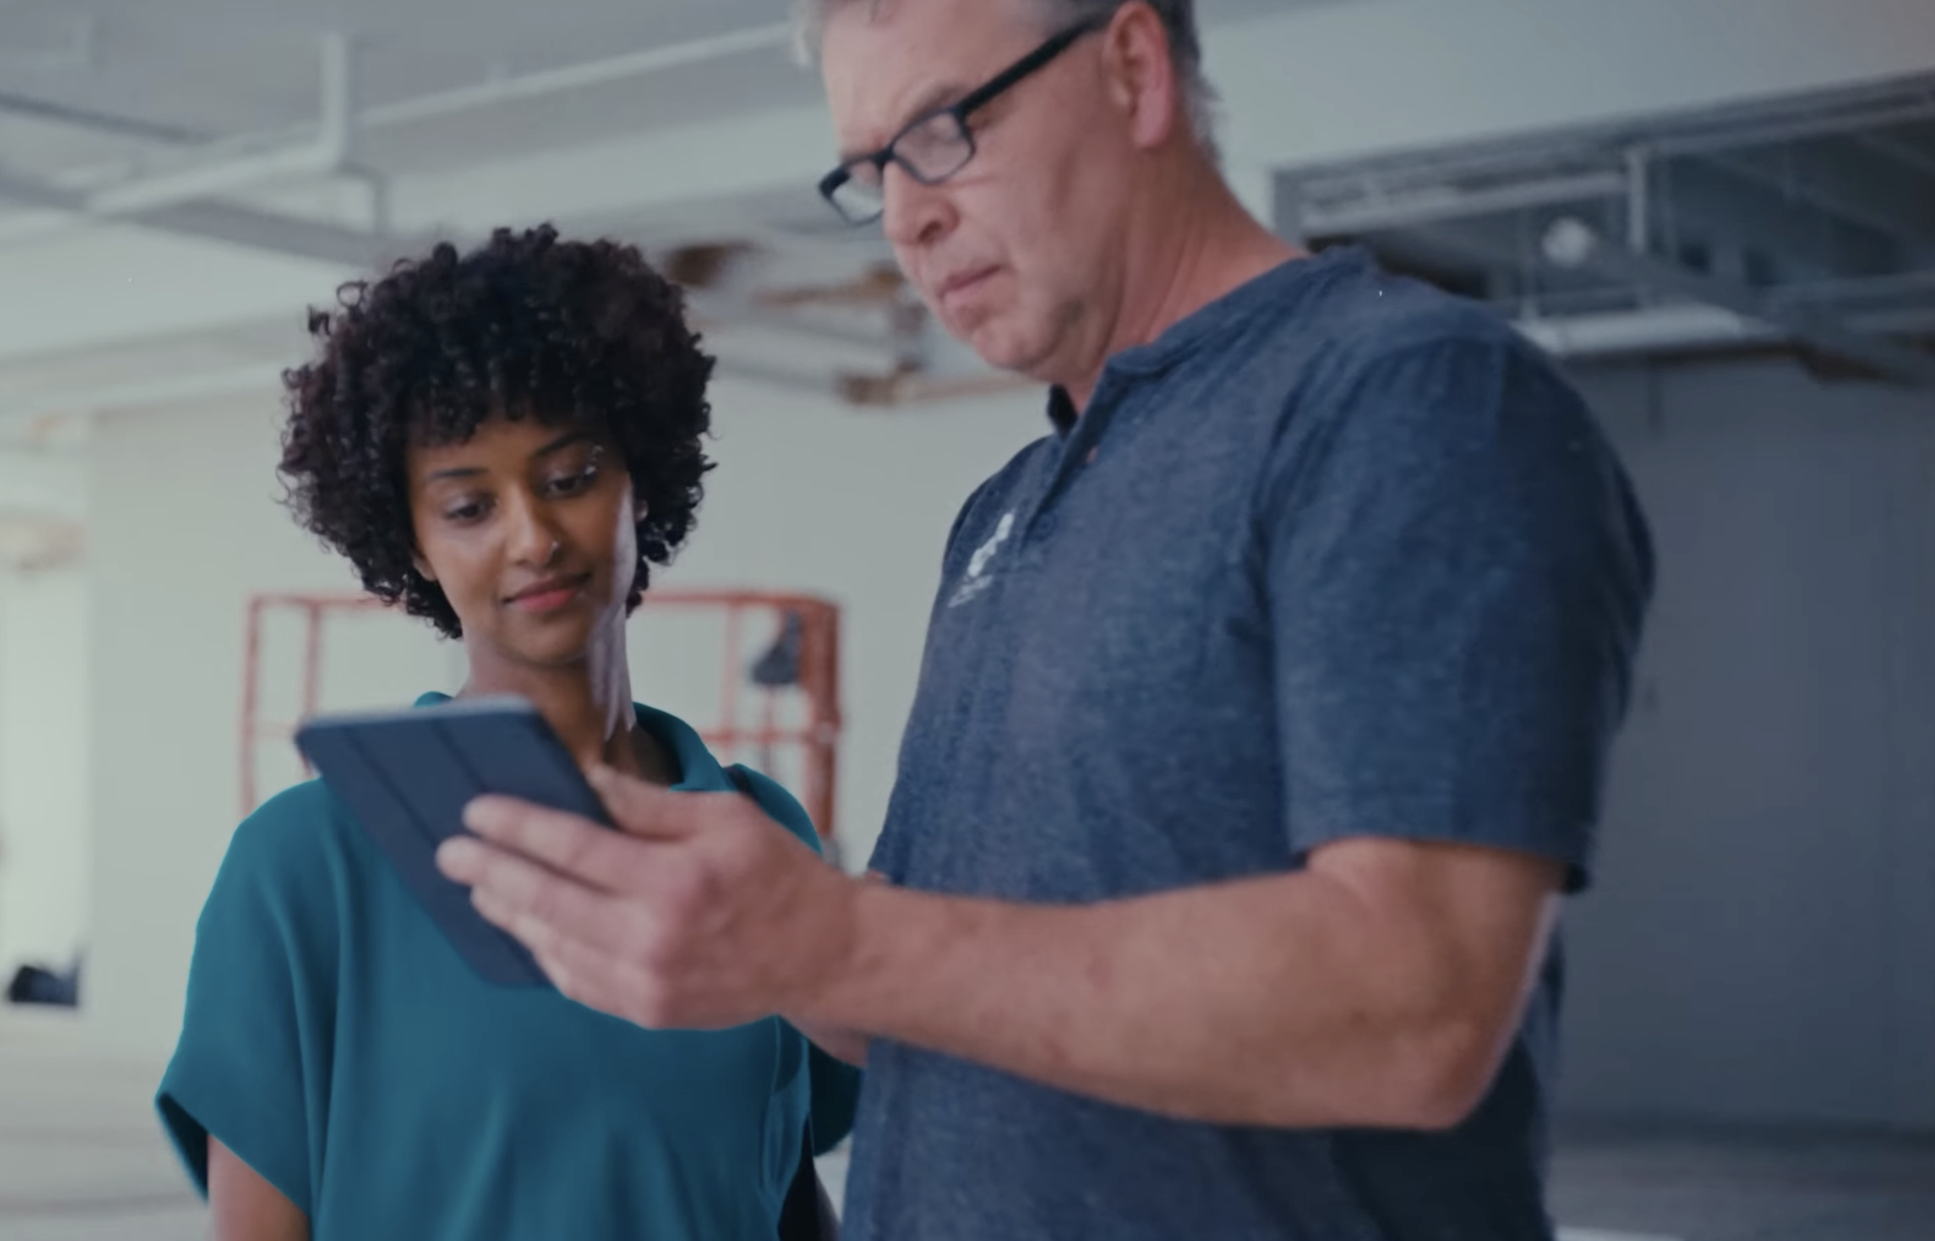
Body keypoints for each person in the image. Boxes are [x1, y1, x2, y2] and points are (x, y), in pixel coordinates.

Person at [435, 2, 1657, 1239]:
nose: (906, 215)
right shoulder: (1003, 514)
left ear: (1132, 69)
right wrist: (742, 933)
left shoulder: (1402, 399)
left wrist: (833, 934)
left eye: (941, 130)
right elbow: (927, 996)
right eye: (868, 172)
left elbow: (1418, 1006)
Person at [155, 224, 861, 1241]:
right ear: (413, 545)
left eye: (570, 477)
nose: (532, 537)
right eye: (470, 505)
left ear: (639, 480)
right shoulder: (306, 866)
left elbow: (783, 1189)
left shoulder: (755, 830)